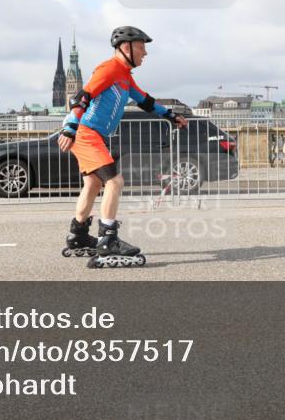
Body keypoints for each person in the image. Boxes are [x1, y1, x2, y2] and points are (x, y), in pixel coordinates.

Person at [58, 26, 188, 268]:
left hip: (91, 134)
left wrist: (170, 115)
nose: (145, 53)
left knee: (93, 183)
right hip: (86, 133)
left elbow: (146, 101)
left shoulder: (125, 76)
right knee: (115, 181)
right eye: (141, 47)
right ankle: (108, 238)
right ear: (125, 47)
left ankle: (78, 235)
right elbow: (82, 97)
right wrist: (71, 127)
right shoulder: (109, 69)